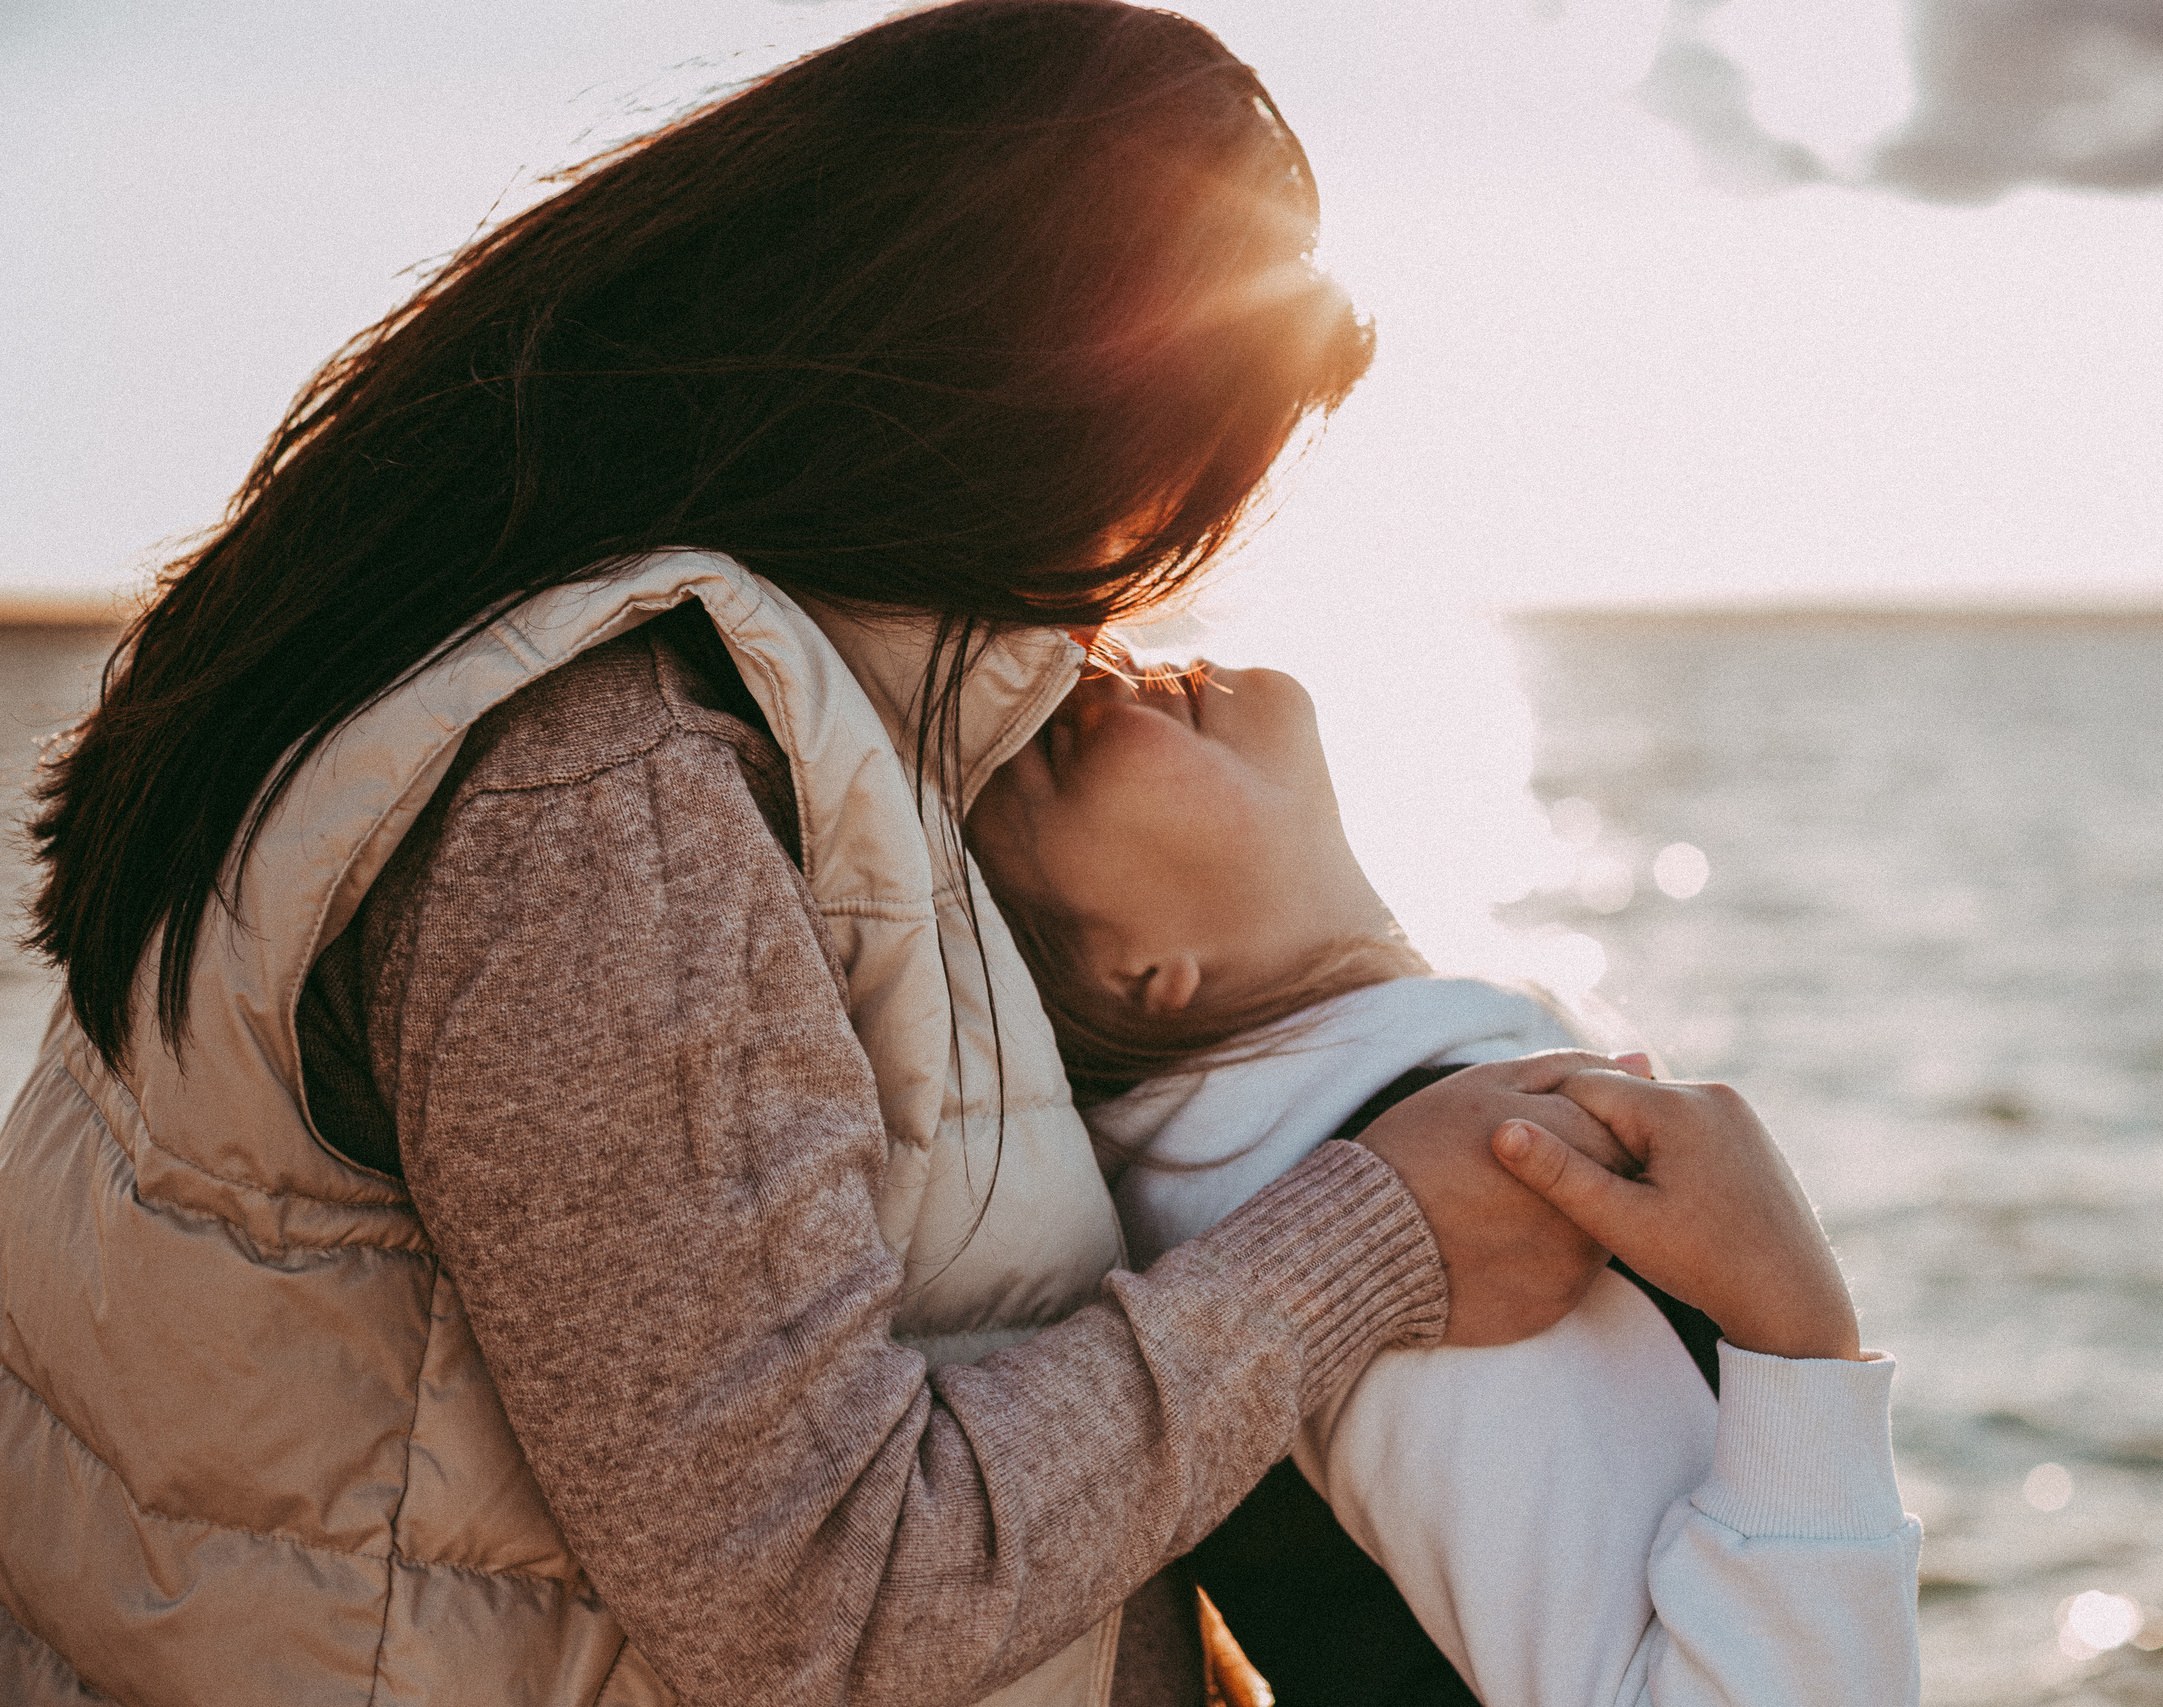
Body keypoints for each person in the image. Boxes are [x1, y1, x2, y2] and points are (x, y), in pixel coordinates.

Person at [0, 8, 1654, 1706]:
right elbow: (816, 1596)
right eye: (1141, 510)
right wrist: (1370, 1241)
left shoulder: (550, 695)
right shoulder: (602, 793)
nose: (1103, 607)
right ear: (1010, 413)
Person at [967, 660, 1923, 1705]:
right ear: (1144, 973)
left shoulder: (1311, 1157)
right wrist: (1799, 1333)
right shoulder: (1434, 1228)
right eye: (1051, 746)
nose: (1094, 671)